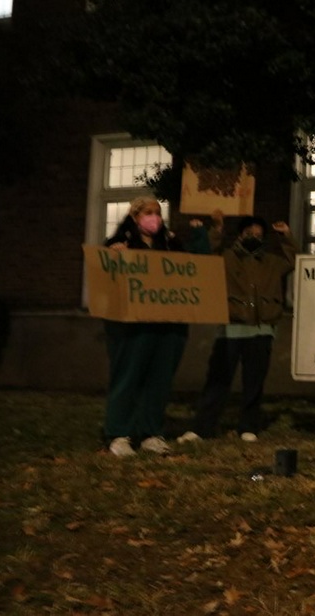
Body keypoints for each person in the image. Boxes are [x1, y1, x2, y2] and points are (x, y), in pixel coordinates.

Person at [179, 211, 298, 444]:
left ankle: (249, 426)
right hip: (231, 328)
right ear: (240, 234)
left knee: (254, 382)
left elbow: (294, 260)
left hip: (262, 330)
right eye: (249, 232)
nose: (254, 236)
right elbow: (207, 256)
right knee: (218, 379)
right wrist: (216, 229)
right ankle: (203, 427)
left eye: (258, 234)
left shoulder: (271, 262)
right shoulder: (226, 258)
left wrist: (286, 236)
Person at [100, 196, 190, 457]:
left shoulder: (171, 244)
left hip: (167, 324)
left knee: (159, 380)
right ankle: (119, 434)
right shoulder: (119, 244)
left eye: (157, 212)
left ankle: (150, 432)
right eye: (148, 212)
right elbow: (105, 278)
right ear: (135, 216)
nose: (154, 218)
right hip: (133, 326)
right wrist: (115, 255)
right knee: (128, 378)